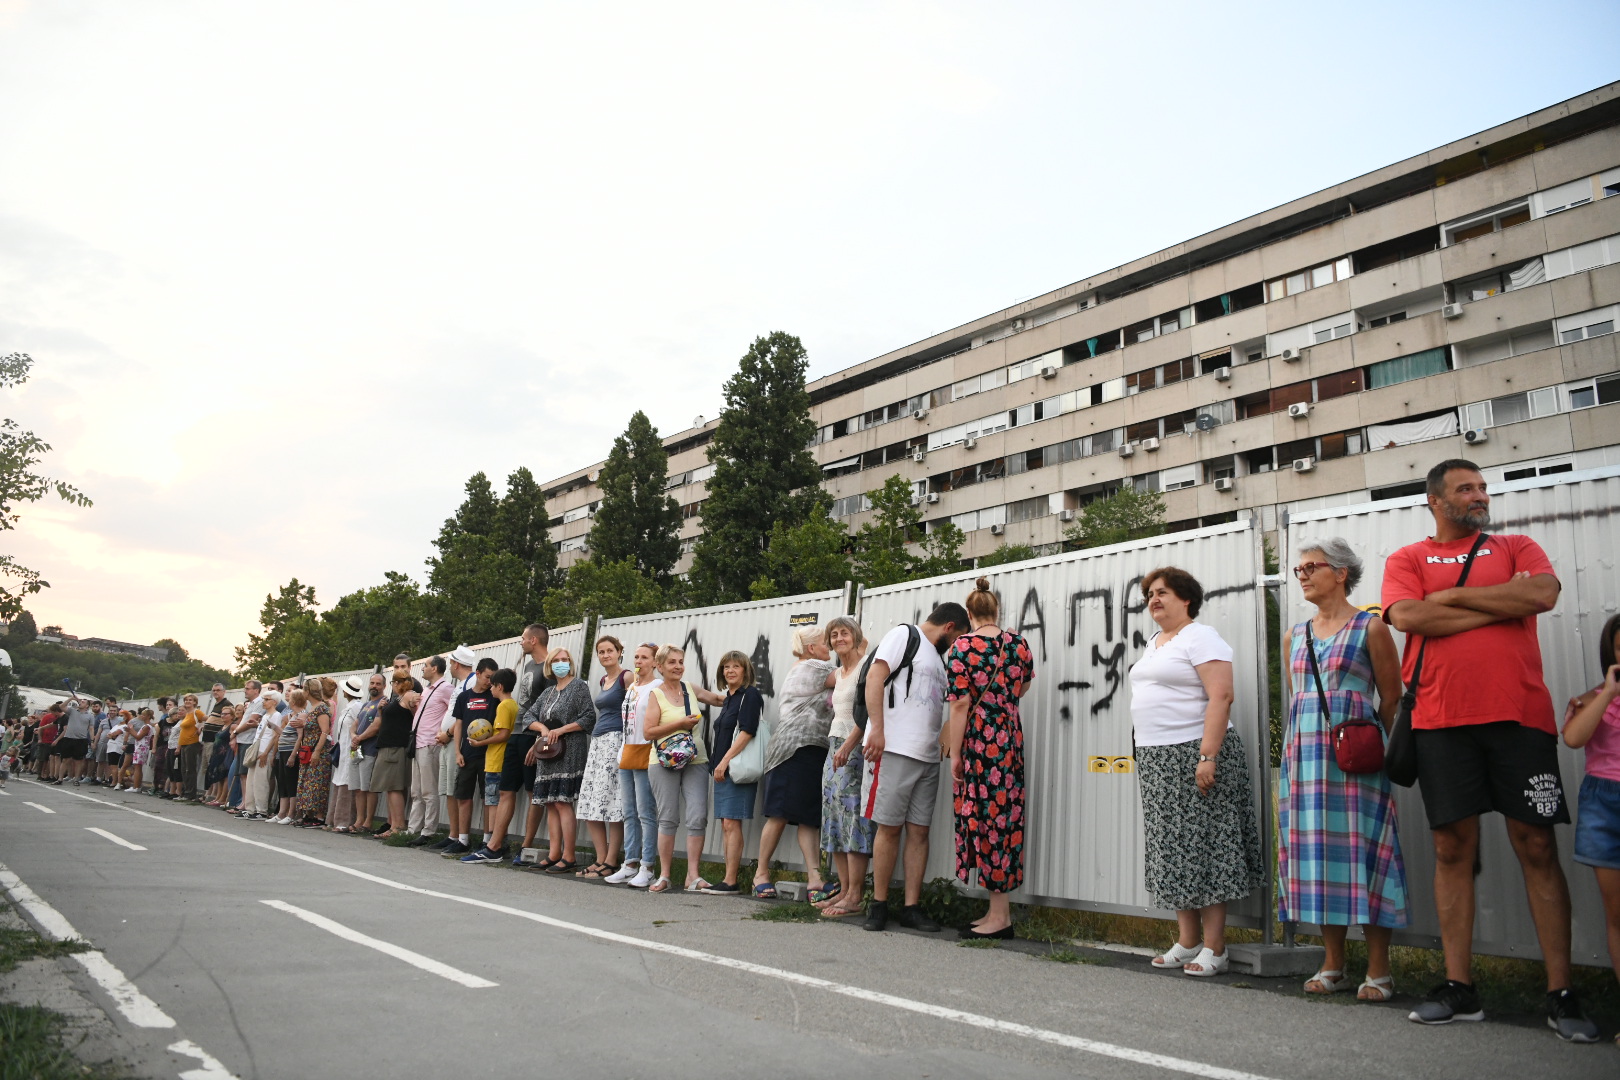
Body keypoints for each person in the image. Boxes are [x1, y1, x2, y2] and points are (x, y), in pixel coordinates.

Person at [1382, 459, 1596, 1040]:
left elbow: (1544, 594)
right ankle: (1460, 988)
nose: (1479, 495)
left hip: (1521, 719)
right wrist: (1500, 602)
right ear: (1435, 500)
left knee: (1536, 844)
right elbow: (1406, 615)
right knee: (1453, 847)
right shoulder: (1406, 560)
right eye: (1465, 488)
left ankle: (1561, 993)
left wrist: (1448, 600)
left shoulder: (1517, 545)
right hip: (1439, 721)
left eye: (1482, 487)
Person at [1279, 539, 1408, 999]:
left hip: (1357, 760)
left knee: (1367, 854)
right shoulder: (1296, 634)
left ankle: (1380, 968)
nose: (1304, 575)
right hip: (1306, 759)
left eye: (1312, 567)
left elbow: (1391, 698)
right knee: (1319, 859)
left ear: (1340, 573)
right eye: (1299, 570)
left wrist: (1399, 757)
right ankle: (1333, 962)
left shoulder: (1370, 628)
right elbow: (1299, 697)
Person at [1131, 566, 1263, 977]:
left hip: (1194, 754)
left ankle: (1216, 948)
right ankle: (1188, 942)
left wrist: (1208, 756)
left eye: (1163, 592)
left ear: (1186, 599)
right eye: (1150, 593)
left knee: (1206, 847)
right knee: (1171, 849)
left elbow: (1221, 695)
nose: (1154, 599)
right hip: (1157, 759)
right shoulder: (1154, 642)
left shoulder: (1200, 636)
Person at [861, 602, 971, 933]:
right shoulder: (904, 635)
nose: (955, 646)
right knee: (889, 827)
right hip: (894, 748)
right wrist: (877, 729)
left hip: (927, 757)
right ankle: (878, 904)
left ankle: (911, 907)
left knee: (920, 832)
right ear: (949, 626)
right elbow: (875, 677)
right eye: (958, 638)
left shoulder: (939, 660)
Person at [945, 577, 1036, 940]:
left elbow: (960, 704)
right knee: (1005, 821)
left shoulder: (961, 648)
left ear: (969, 614)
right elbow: (1024, 685)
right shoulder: (1018, 643)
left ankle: (1000, 917)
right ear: (997, 610)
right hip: (1010, 741)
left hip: (979, 746)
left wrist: (955, 754)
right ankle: (997, 912)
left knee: (984, 821)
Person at [1562, 612, 1620, 1048]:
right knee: (1617, 913)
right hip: (1604, 804)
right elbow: (1574, 738)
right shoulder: (1594, 698)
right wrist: (1607, 692)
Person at [753, 628, 836, 901]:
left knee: (809, 817)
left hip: (813, 748)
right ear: (811, 648)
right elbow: (849, 675)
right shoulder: (814, 666)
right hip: (792, 749)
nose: (831, 648)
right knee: (779, 814)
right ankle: (760, 874)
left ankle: (815, 879)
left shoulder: (810, 665)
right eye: (826, 643)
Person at [643, 644, 725, 893]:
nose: (678, 666)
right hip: (663, 763)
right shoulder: (655, 694)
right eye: (672, 662)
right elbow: (648, 732)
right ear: (659, 666)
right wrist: (680, 723)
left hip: (696, 760)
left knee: (698, 817)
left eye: (680, 662)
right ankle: (665, 875)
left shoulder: (690, 689)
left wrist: (742, 693)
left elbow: (717, 699)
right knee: (667, 818)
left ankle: (693, 876)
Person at [820, 617, 873, 918]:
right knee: (834, 818)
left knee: (854, 818)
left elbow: (866, 713)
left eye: (845, 633)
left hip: (853, 747)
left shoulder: (865, 668)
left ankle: (855, 895)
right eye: (835, 634)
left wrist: (848, 746)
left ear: (855, 637)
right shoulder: (839, 672)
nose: (840, 638)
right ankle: (843, 888)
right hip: (833, 745)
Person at [526, 647, 595, 874]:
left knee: (563, 801)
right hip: (547, 751)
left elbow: (588, 717)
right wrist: (543, 728)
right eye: (556, 660)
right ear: (550, 665)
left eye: (565, 659)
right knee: (550, 801)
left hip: (570, 749)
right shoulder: (547, 693)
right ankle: (554, 853)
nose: (561, 663)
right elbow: (528, 716)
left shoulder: (579, 686)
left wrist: (562, 729)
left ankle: (569, 856)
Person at [708, 650, 764, 894]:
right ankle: (727, 878)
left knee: (732, 823)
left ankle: (731, 881)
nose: (730, 671)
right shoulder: (729, 698)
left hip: (734, 769)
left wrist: (724, 762)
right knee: (726, 824)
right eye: (726, 667)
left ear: (745, 671)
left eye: (736, 667)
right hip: (722, 770)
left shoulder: (749, 695)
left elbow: (747, 731)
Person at [576, 636, 632, 878]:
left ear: (620, 652)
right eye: (601, 651)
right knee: (590, 801)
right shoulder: (603, 679)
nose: (606, 655)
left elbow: (636, 707)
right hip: (598, 742)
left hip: (616, 740)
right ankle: (600, 858)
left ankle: (611, 861)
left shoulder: (626, 677)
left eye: (610, 650)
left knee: (613, 803)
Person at [606, 643, 661, 888]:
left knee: (645, 812)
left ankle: (647, 866)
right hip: (626, 753)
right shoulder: (631, 688)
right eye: (636, 657)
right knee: (628, 812)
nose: (639, 661)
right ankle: (629, 863)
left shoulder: (657, 687)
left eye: (644, 657)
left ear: (655, 662)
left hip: (645, 752)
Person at [437, 659, 498, 855]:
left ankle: (487, 840)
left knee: (488, 798)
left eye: (493, 678)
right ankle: (463, 840)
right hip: (467, 754)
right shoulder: (464, 697)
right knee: (463, 796)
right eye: (488, 677)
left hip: (488, 754)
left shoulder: (495, 698)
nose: (490, 681)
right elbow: (459, 725)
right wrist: (457, 751)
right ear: (478, 674)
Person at [461, 668, 518, 864]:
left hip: (496, 761)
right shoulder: (513, 705)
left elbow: (503, 734)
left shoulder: (503, 706)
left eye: (493, 685)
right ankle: (498, 843)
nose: (490, 689)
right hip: (501, 760)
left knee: (493, 802)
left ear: (499, 686)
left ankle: (494, 844)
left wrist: (479, 743)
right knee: (495, 801)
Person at [508, 624, 552, 865]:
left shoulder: (549, 668)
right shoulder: (527, 666)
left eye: (523, 638)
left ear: (534, 640)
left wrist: (538, 743)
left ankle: (526, 846)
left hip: (532, 736)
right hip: (515, 733)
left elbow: (548, 709)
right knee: (507, 789)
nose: (521, 642)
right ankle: (494, 842)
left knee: (533, 792)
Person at [406, 656, 456, 844]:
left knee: (428, 790)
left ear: (434, 668)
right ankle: (413, 829)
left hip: (430, 743)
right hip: (418, 742)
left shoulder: (446, 689)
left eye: (426, 666)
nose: (423, 669)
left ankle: (428, 831)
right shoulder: (427, 690)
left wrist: (445, 733)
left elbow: (453, 712)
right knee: (416, 791)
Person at [369, 672, 419, 839]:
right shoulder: (396, 699)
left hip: (396, 747)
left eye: (394, 682)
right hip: (387, 745)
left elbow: (417, 717)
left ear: (399, 682)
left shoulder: (409, 696)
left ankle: (398, 825)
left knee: (395, 786)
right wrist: (382, 710)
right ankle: (394, 825)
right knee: (390, 787)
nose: (393, 685)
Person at [293, 678, 334, 827]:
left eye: (304, 690)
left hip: (318, 751)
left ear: (309, 691)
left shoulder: (322, 708)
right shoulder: (311, 708)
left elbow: (325, 731)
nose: (303, 693)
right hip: (307, 750)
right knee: (306, 782)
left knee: (316, 783)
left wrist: (317, 751)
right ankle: (307, 814)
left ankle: (319, 816)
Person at [328, 677, 365, 833]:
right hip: (342, 748)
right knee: (339, 779)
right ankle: (333, 819)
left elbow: (358, 726)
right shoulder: (348, 707)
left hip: (350, 749)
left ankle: (344, 821)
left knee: (347, 781)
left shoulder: (356, 707)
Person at [246, 690, 285, 820]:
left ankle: (261, 810)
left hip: (264, 751)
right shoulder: (265, 715)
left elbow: (275, 736)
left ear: (274, 702)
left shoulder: (276, 715)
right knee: (251, 780)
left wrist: (267, 753)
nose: (264, 702)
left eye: (266, 699)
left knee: (261, 781)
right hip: (257, 749)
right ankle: (250, 809)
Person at [271, 688, 307, 824]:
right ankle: (282, 812)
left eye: (291, 697)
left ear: (295, 700)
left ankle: (291, 813)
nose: (288, 699)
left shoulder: (301, 715)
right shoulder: (291, 715)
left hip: (290, 751)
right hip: (283, 750)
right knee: (282, 781)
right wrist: (275, 728)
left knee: (291, 782)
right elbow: (285, 733)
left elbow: (299, 737)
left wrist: (293, 755)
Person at [227, 680, 264, 811]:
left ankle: (246, 803)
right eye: (245, 688)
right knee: (242, 774)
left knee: (245, 774)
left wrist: (236, 732)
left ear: (256, 690)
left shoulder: (259, 703)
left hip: (249, 740)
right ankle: (244, 801)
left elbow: (250, 721)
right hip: (242, 740)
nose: (245, 690)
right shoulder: (250, 704)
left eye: (248, 688)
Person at [177, 693, 205, 803]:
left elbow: (207, 719)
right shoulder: (187, 714)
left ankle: (191, 793)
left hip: (192, 743)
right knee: (184, 769)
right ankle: (185, 791)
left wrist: (201, 727)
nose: (188, 701)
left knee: (190, 769)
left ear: (194, 702)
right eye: (186, 700)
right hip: (184, 744)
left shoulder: (196, 712)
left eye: (190, 700)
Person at [126, 709, 153, 793]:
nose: (142, 716)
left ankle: (136, 786)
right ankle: (137, 785)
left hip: (142, 747)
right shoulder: (145, 726)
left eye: (144, 715)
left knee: (137, 767)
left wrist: (131, 730)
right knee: (137, 767)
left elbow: (138, 736)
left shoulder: (147, 726)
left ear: (148, 716)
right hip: (140, 746)